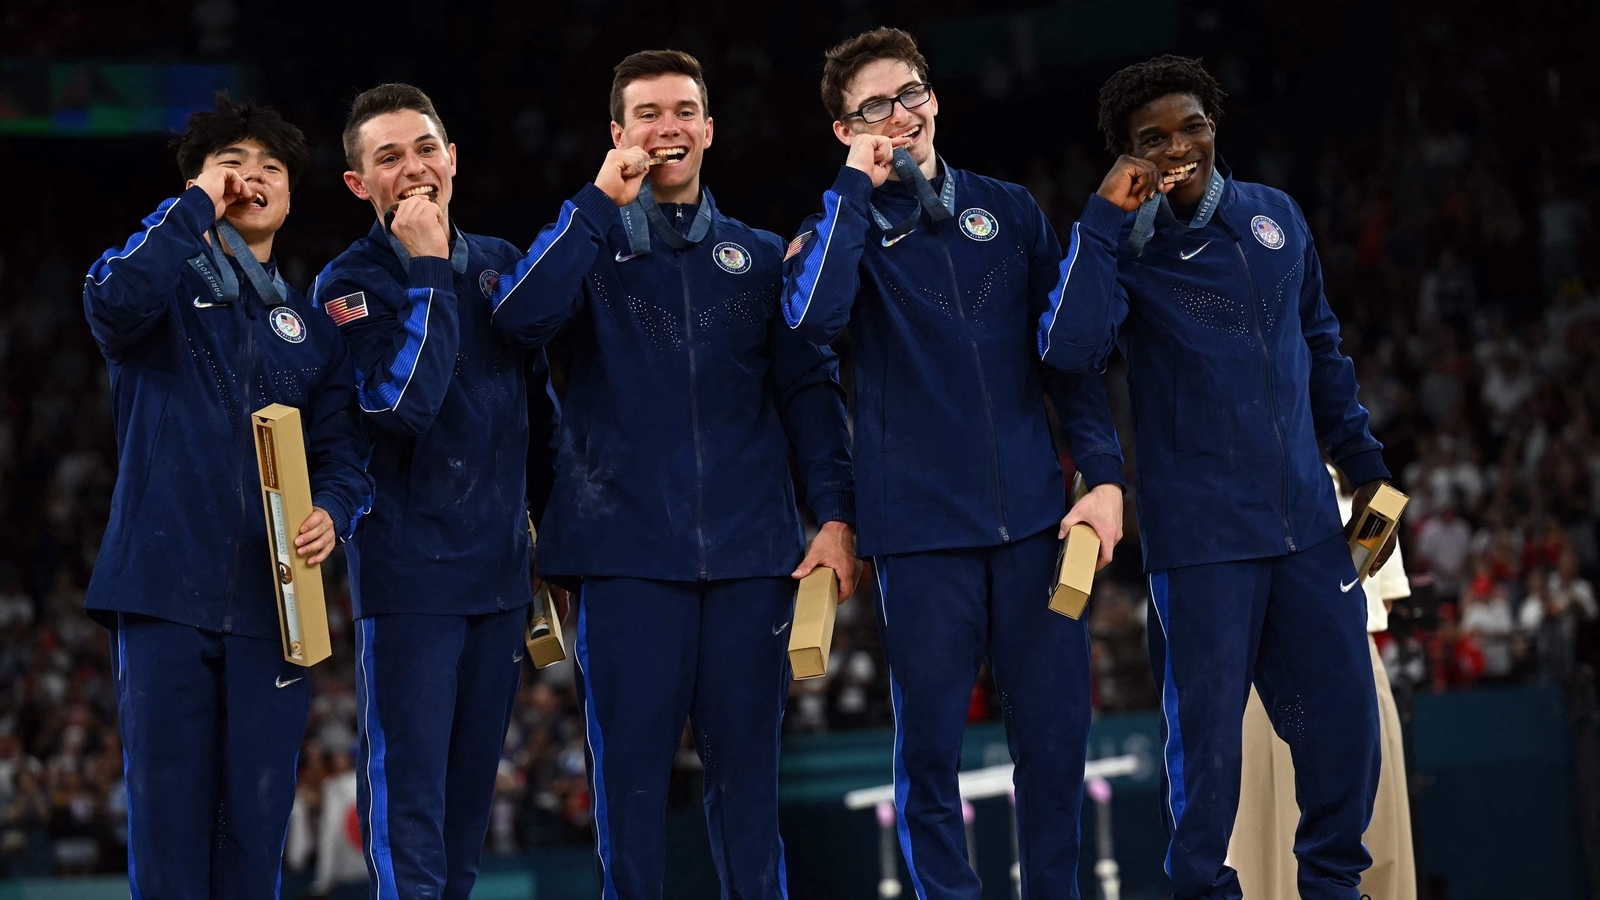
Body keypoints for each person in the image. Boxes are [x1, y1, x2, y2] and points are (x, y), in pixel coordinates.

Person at [488, 50, 856, 898]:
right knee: (631, 793)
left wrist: (834, 517)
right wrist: (596, 206)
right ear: (618, 135)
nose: (668, 129)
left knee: (750, 796)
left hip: (752, 561)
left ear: (709, 130)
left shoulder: (765, 259)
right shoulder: (584, 251)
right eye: (648, 114)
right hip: (623, 563)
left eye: (684, 111)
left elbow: (809, 396)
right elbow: (517, 322)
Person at [1038, 55, 1397, 900]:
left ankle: (1333, 887)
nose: (1177, 148)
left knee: (1346, 727)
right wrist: (1099, 223)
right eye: (1150, 138)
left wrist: (1368, 469)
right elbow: (1066, 352)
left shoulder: (1275, 217)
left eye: (1190, 125)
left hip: (1308, 523)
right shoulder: (1123, 251)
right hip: (1201, 541)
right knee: (1206, 750)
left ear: (1215, 122)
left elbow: (1321, 348)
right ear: (1126, 154)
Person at [781, 27, 1126, 899]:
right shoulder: (841, 227)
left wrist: (1105, 474)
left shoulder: (1007, 209)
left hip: (1033, 528)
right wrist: (854, 191)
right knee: (928, 751)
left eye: (911, 94)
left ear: (933, 96)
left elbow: (1067, 361)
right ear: (844, 130)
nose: (901, 115)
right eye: (874, 107)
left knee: (1053, 747)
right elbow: (812, 325)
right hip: (921, 537)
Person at [82, 94, 372, 898]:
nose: (252, 179)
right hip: (164, 592)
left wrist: (333, 512)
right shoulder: (154, 293)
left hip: (273, 606)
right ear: (196, 186)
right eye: (230, 167)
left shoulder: (312, 330)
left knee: (254, 830)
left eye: (270, 168)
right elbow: (111, 305)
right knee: (169, 825)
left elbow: (344, 453)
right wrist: (191, 212)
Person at [313, 83, 558, 898]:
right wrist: (423, 269)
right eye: (388, 157)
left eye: (425, 149)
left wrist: (553, 540)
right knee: (409, 814)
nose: (412, 168)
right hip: (410, 581)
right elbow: (400, 405)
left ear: (452, 159)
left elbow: (543, 414)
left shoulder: (497, 265)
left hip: (498, 579)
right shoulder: (345, 287)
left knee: (463, 822)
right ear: (359, 184)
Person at [1228, 465, 1417, 900]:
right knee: (1272, 840)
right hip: (1271, 672)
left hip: (1348, 663)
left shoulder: (1366, 491)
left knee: (1368, 829)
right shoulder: (1244, 487)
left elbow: (1381, 592)